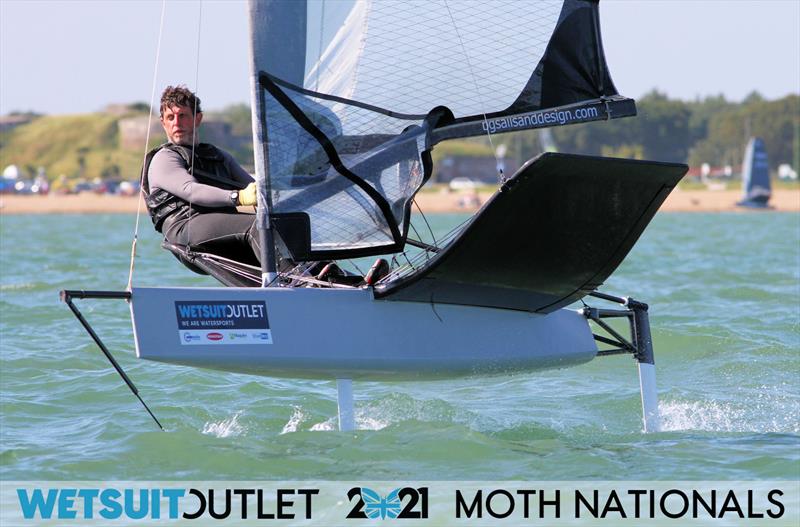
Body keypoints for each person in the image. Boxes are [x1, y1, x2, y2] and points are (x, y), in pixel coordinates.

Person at [142, 85, 263, 265]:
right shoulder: (164, 158)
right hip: (186, 229)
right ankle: (290, 288)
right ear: (163, 123)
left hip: (224, 230)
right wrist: (239, 197)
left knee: (275, 225)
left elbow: (255, 188)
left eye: (182, 115)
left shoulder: (219, 156)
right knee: (259, 227)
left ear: (197, 119)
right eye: (170, 117)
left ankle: (310, 279)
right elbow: (191, 190)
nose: (176, 122)